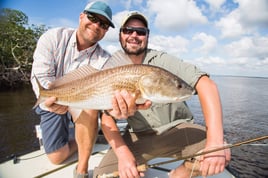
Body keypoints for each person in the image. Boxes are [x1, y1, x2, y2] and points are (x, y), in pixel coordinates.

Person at [93, 11, 231, 178]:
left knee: (221, 152)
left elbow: (205, 84)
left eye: (141, 32)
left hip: (178, 130)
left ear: (147, 36)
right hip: (138, 136)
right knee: (102, 175)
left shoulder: (163, 60)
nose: (134, 35)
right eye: (128, 30)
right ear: (120, 34)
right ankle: (138, 164)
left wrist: (215, 141)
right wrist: (124, 156)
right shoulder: (111, 67)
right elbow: (107, 117)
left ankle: (180, 173)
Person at [30, 1, 138, 178]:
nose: (96, 25)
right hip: (53, 100)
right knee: (57, 157)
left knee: (90, 106)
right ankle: (88, 139)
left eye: (103, 24)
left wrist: (117, 109)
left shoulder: (105, 59)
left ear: (106, 31)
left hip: (83, 101)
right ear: (81, 16)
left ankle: (81, 169)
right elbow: (41, 78)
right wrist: (50, 101)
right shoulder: (52, 37)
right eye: (92, 18)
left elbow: (104, 95)